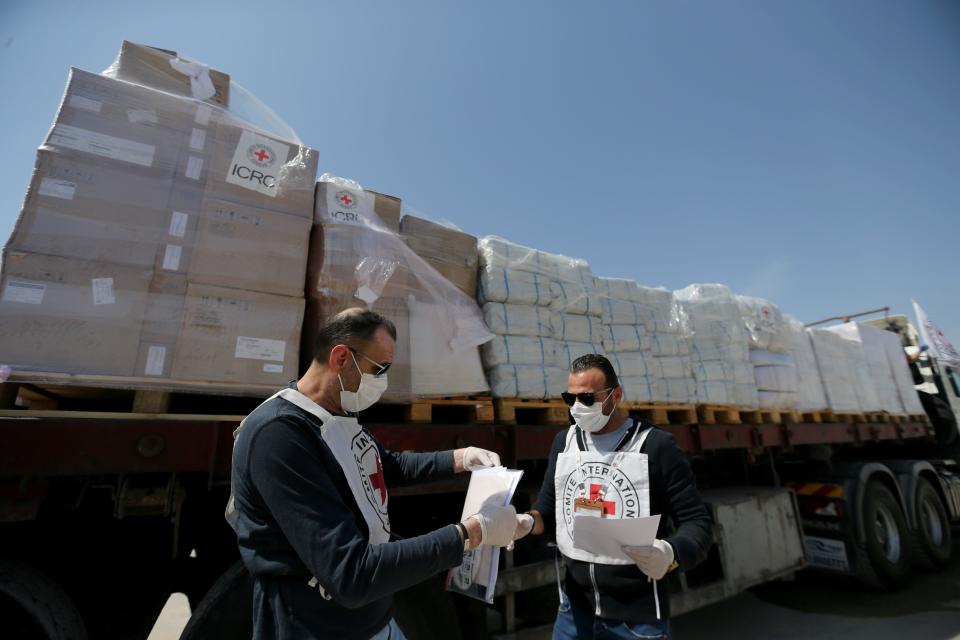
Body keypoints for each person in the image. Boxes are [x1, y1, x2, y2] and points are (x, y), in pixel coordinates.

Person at [229, 308, 526, 640]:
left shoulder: (337, 416)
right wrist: (471, 533)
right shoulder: (280, 436)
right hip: (316, 627)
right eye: (378, 369)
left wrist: (459, 458)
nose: (382, 381)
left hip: (374, 621)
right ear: (341, 357)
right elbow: (351, 573)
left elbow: (383, 467)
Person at [519, 354, 713, 640]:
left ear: (616, 395)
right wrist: (524, 521)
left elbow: (697, 523)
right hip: (574, 611)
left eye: (587, 399)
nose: (577, 408)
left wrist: (669, 554)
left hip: (637, 619)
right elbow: (547, 512)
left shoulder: (655, 446)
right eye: (569, 399)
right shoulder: (565, 442)